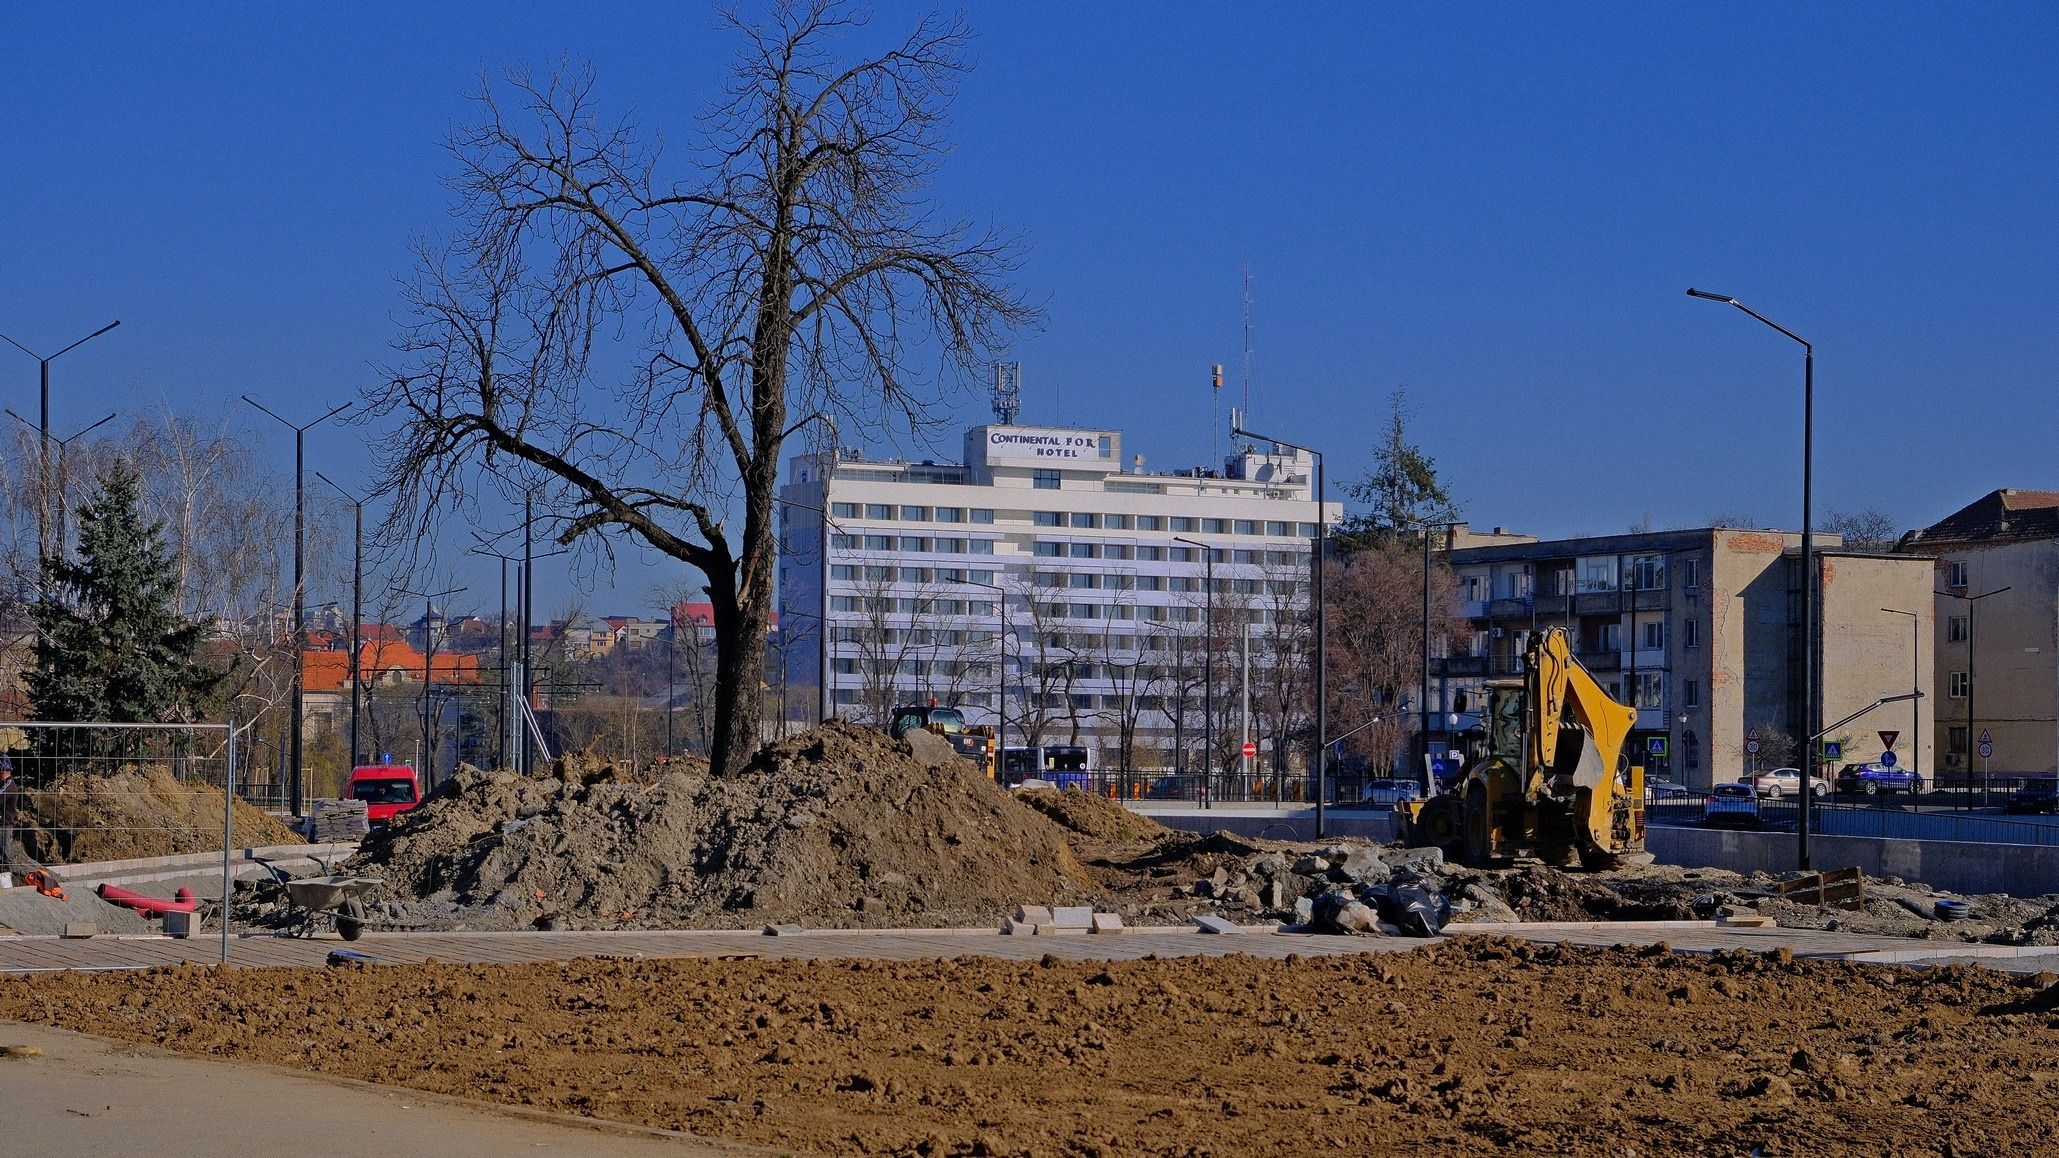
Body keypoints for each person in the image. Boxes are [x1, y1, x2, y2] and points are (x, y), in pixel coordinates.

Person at [0, 755, 21, 880]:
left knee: (4, 852)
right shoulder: (5, 784)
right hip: (2, 822)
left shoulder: (8, 786)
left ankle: (7, 881)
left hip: (4, 824)